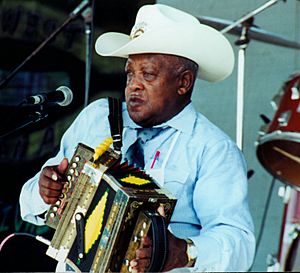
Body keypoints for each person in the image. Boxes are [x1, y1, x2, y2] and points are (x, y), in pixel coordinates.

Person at [19, 3, 256, 272]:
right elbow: (28, 205)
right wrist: (44, 192)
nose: (134, 84)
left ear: (184, 82)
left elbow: (240, 244)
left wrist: (182, 251)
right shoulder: (97, 118)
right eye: (130, 73)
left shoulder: (212, 149)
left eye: (148, 74)